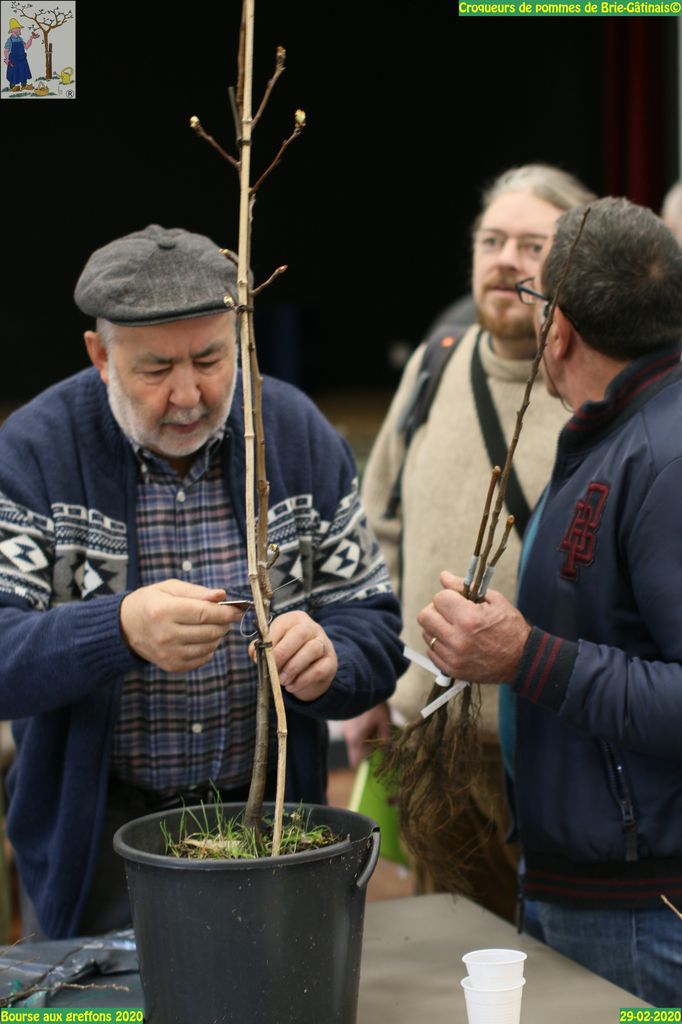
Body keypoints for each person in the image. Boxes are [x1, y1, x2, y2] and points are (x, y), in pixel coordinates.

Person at [0, 224, 405, 941]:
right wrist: (119, 630)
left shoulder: (296, 435)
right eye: (156, 368)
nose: (188, 394)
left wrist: (332, 663)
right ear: (100, 355)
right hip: (96, 847)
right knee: (102, 1001)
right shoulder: (35, 453)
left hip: (271, 830)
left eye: (211, 359)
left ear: (240, 339)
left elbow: (373, 625)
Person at [418, 196, 682, 1006]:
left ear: (557, 329)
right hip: (597, 887)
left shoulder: (664, 457)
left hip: (642, 912)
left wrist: (524, 655)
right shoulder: (623, 428)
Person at [342, 164, 595, 922]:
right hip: (434, 740)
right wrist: (372, 680)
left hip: (557, 751)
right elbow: (378, 531)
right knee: (454, 953)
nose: (506, 260)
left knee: (563, 963)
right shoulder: (436, 363)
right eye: (492, 241)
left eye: (531, 245)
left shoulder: (600, 388)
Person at [4, 17, 36, 93]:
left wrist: (31, 38)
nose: (19, 29)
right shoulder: (10, 40)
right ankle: (12, 87)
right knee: (14, 74)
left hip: (22, 60)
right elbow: (6, 50)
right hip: (14, 61)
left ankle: (24, 85)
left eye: (19, 28)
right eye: (17, 28)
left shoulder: (20, 39)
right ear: (12, 30)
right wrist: (7, 59)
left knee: (23, 72)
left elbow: (26, 46)